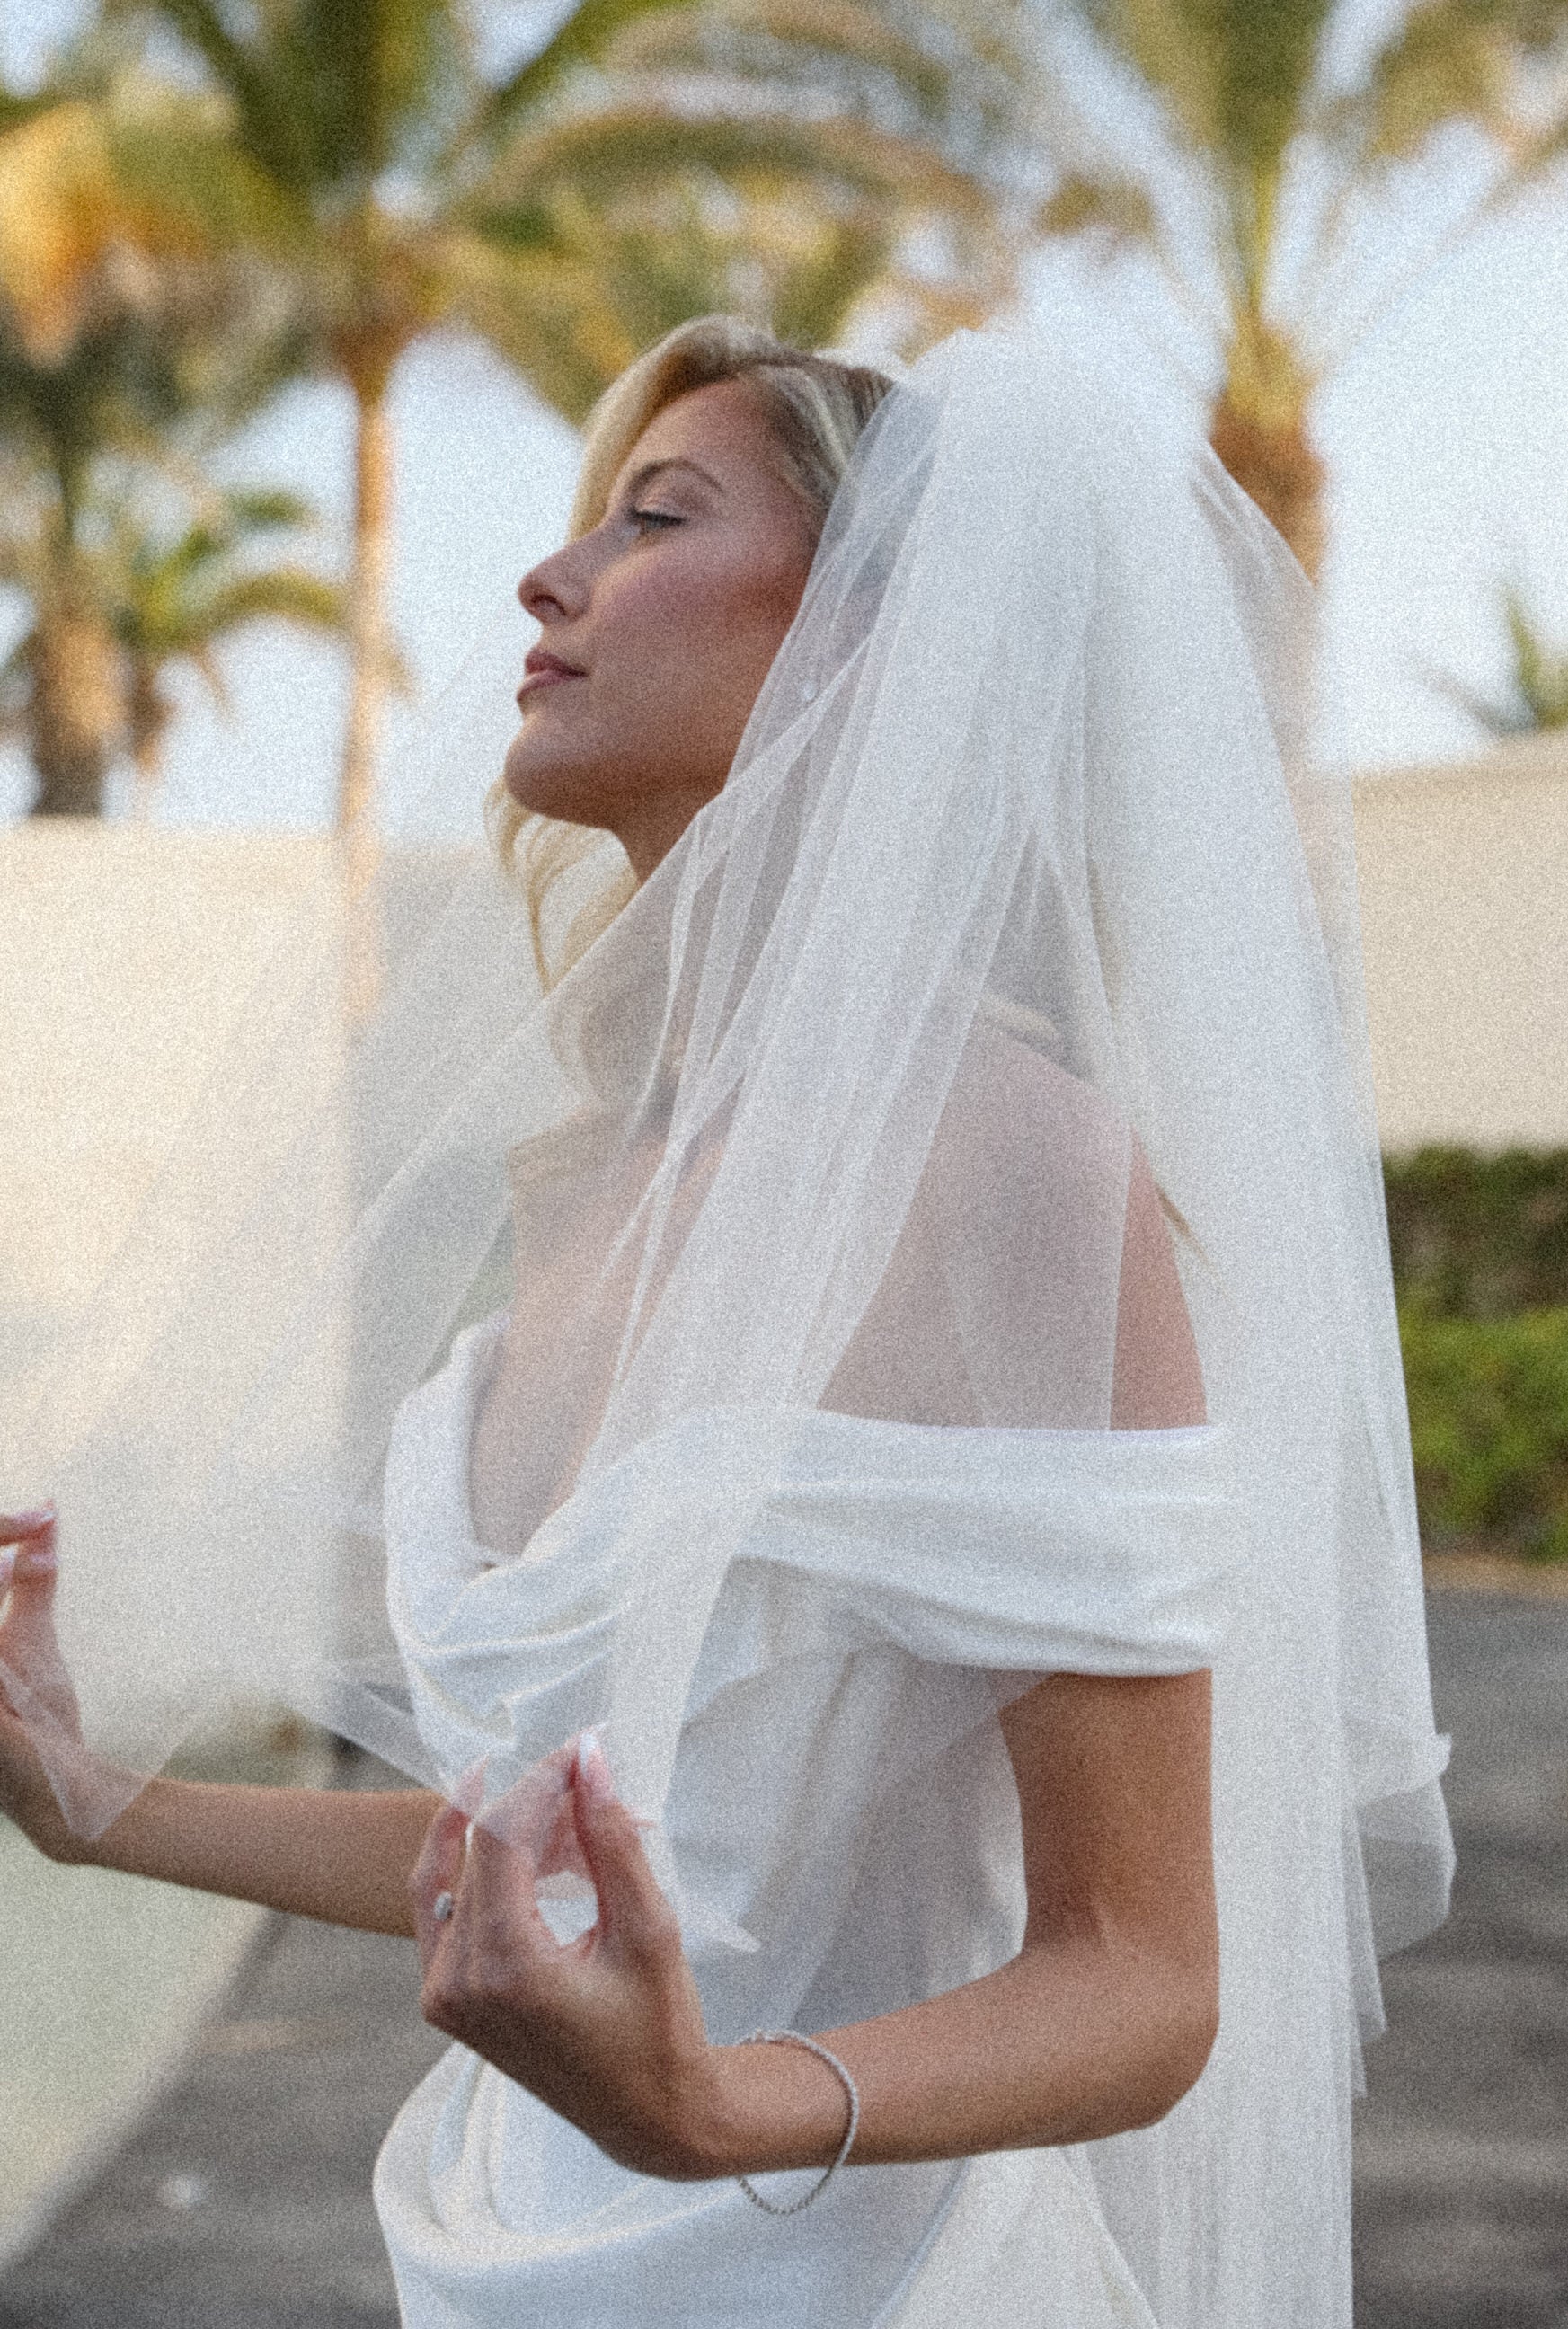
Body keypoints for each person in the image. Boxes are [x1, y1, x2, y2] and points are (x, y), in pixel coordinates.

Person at [0, 308, 1451, 2328]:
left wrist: (723, 2110)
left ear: (877, 639)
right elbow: (568, 1854)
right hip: (516, 2273)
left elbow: (1142, 1975)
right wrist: (98, 1811)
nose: (546, 574)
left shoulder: (1010, 1163)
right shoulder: (590, 1184)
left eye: (655, 517)